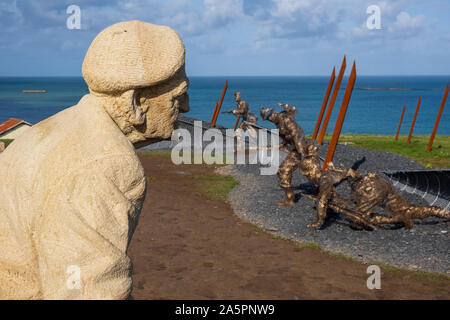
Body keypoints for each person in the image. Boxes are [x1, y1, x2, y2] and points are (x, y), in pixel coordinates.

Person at [0, 20, 189, 299]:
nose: (186, 107)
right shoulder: (104, 163)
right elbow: (88, 291)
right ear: (135, 102)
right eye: (177, 97)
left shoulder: (44, 132)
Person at [260, 104, 308, 206]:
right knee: (282, 171)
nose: (269, 121)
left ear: (272, 115)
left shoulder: (285, 119)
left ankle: (290, 199)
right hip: (295, 151)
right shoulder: (278, 123)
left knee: (285, 171)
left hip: (301, 150)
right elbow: (287, 137)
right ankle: (289, 198)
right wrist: (281, 145)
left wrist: (302, 154)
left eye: (268, 118)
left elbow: (297, 134)